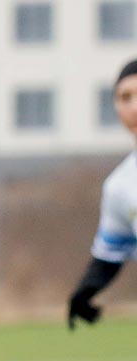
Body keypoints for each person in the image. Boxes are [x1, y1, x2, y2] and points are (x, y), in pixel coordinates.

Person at [69, 59, 137, 331]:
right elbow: (110, 253)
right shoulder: (120, 186)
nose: (134, 107)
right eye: (125, 97)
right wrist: (84, 292)